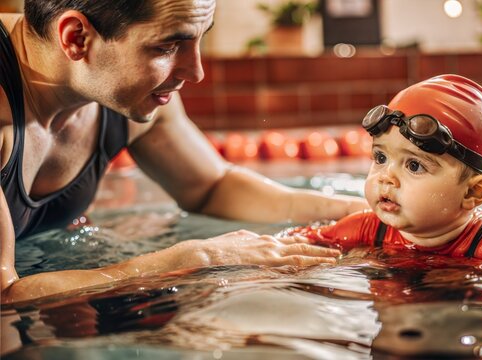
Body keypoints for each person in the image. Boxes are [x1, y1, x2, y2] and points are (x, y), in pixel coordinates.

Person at [0, 0, 367, 304]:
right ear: (77, 38)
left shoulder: (131, 94)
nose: (196, 71)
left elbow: (212, 186)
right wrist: (196, 257)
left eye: (198, 40)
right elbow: (5, 295)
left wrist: (355, 212)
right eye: (167, 47)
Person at [290, 74, 482, 265]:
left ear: (473, 192)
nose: (385, 177)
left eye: (414, 165)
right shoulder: (366, 229)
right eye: (381, 157)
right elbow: (293, 245)